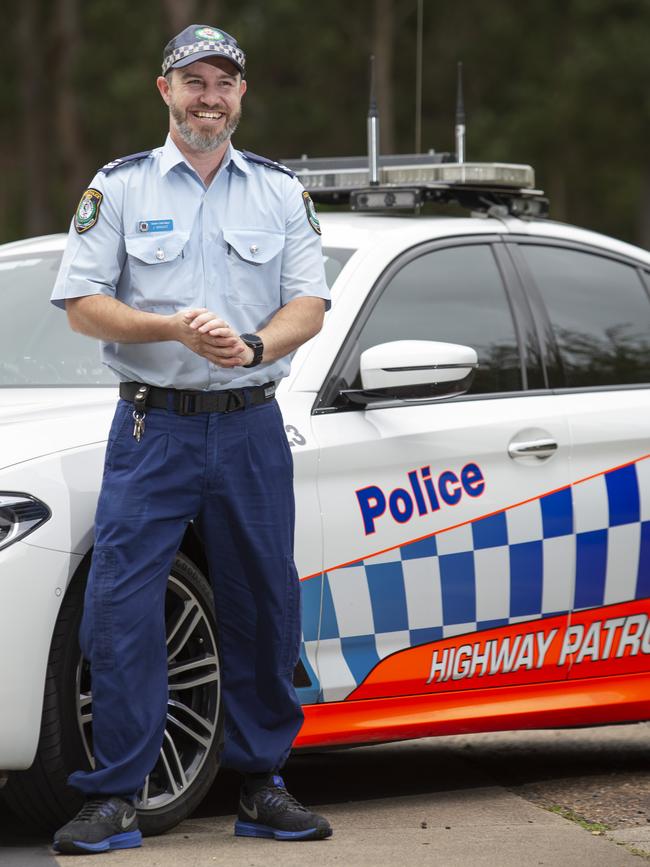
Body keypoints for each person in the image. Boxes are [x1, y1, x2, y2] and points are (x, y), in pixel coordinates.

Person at [50, 23, 332, 855]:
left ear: (241, 94)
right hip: (153, 426)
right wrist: (168, 328)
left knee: (263, 605)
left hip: (249, 426)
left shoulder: (279, 191)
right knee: (122, 610)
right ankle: (115, 797)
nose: (210, 97)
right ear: (164, 90)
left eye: (225, 83)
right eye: (194, 81)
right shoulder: (121, 188)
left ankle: (261, 785)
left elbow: (307, 305)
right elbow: (81, 301)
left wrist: (253, 347)